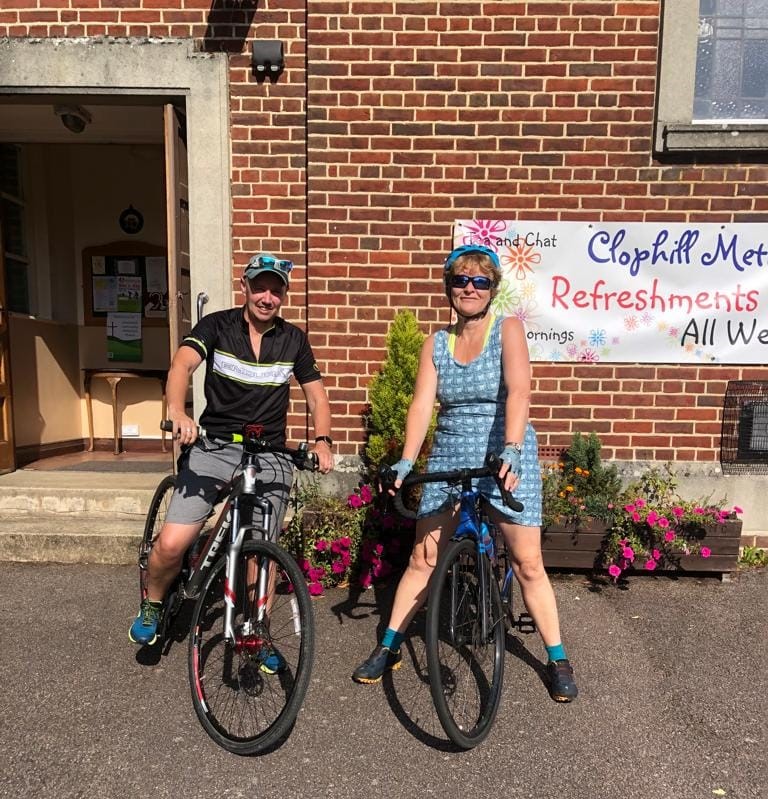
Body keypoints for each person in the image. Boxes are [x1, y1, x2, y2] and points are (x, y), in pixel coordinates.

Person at [351, 244, 578, 702]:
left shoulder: (507, 329)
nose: (469, 288)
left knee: (527, 562)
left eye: (480, 281)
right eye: (460, 280)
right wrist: (406, 460)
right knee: (423, 557)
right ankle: (388, 645)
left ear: (492, 289)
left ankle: (557, 659)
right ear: (448, 288)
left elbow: (519, 393)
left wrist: (512, 449)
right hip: (452, 452)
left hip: (503, 451)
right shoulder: (435, 343)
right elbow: (421, 404)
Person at [129, 252, 334, 665]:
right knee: (171, 544)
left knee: (262, 551)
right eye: (260, 287)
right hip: (215, 446)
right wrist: (178, 411)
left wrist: (323, 439)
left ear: (284, 296)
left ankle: (256, 628)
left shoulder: (293, 338)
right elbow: (182, 365)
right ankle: (153, 602)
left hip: (271, 454)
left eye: (276, 291)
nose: (267, 297)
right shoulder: (217, 326)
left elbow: (315, 393)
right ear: (245, 286)